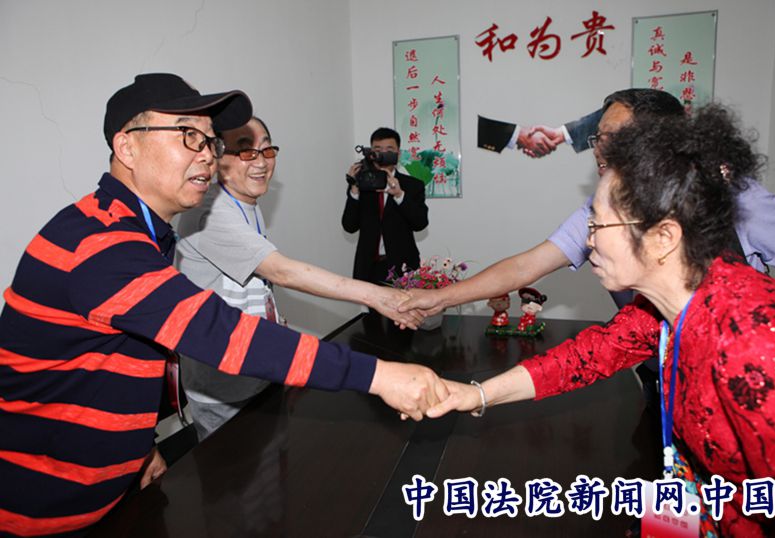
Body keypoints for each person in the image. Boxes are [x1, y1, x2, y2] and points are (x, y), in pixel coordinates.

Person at [0, 73, 446, 536]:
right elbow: (224, 333)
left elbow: (107, 358)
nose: (207, 155)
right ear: (127, 147)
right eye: (188, 136)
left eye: (210, 141)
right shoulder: (101, 243)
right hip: (44, 511)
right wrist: (379, 376)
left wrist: (139, 446)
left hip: (107, 489)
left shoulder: (141, 232)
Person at [427, 107, 775, 537]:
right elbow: (584, 358)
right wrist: (475, 395)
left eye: (598, 224)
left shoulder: (756, 347)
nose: (588, 240)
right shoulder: (670, 308)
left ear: (663, 237)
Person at [401, 89, 775, 321]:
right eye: (598, 137)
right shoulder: (603, 211)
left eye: (614, 137)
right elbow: (526, 267)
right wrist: (440, 297)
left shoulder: (733, 196)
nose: (598, 149)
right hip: (660, 371)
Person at [176, 116, 423, 440]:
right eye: (246, 151)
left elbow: (249, 281)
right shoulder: (210, 213)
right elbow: (281, 271)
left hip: (256, 369)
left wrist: (273, 318)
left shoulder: (245, 200)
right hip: (223, 386)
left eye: (267, 150)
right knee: (233, 471)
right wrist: (377, 295)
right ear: (217, 154)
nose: (260, 162)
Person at [342, 127, 429, 286]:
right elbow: (349, 226)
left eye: (389, 150)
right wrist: (354, 189)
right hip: (368, 268)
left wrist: (399, 195)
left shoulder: (413, 185)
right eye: (377, 150)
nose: (382, 155)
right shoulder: (362, 184)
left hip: (403, 267)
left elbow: (420, 223)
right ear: (371, 153)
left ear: (398, 154)